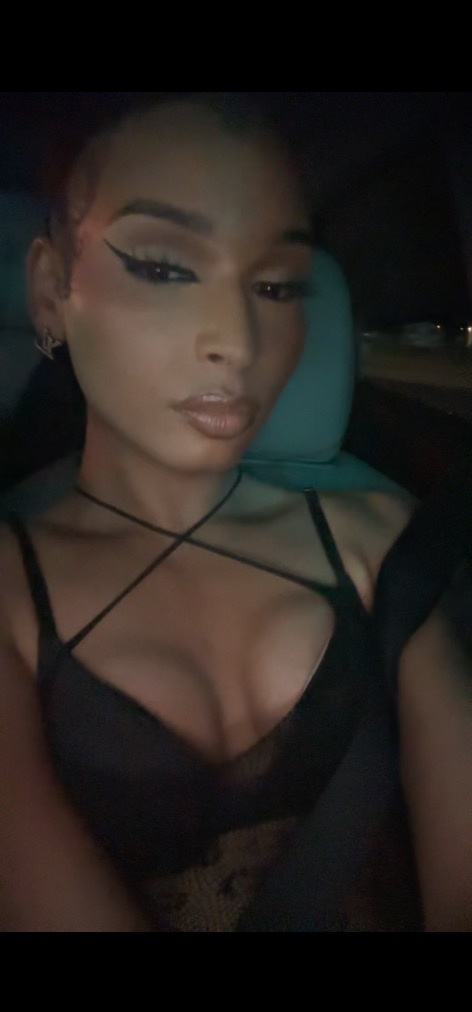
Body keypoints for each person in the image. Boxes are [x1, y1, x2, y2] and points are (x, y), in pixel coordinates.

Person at [0, 91, 470, 932]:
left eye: (278, 285)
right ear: (49, 290)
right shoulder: (8, 585)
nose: (239, 341)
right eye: (164, 268)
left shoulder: (383, 541)